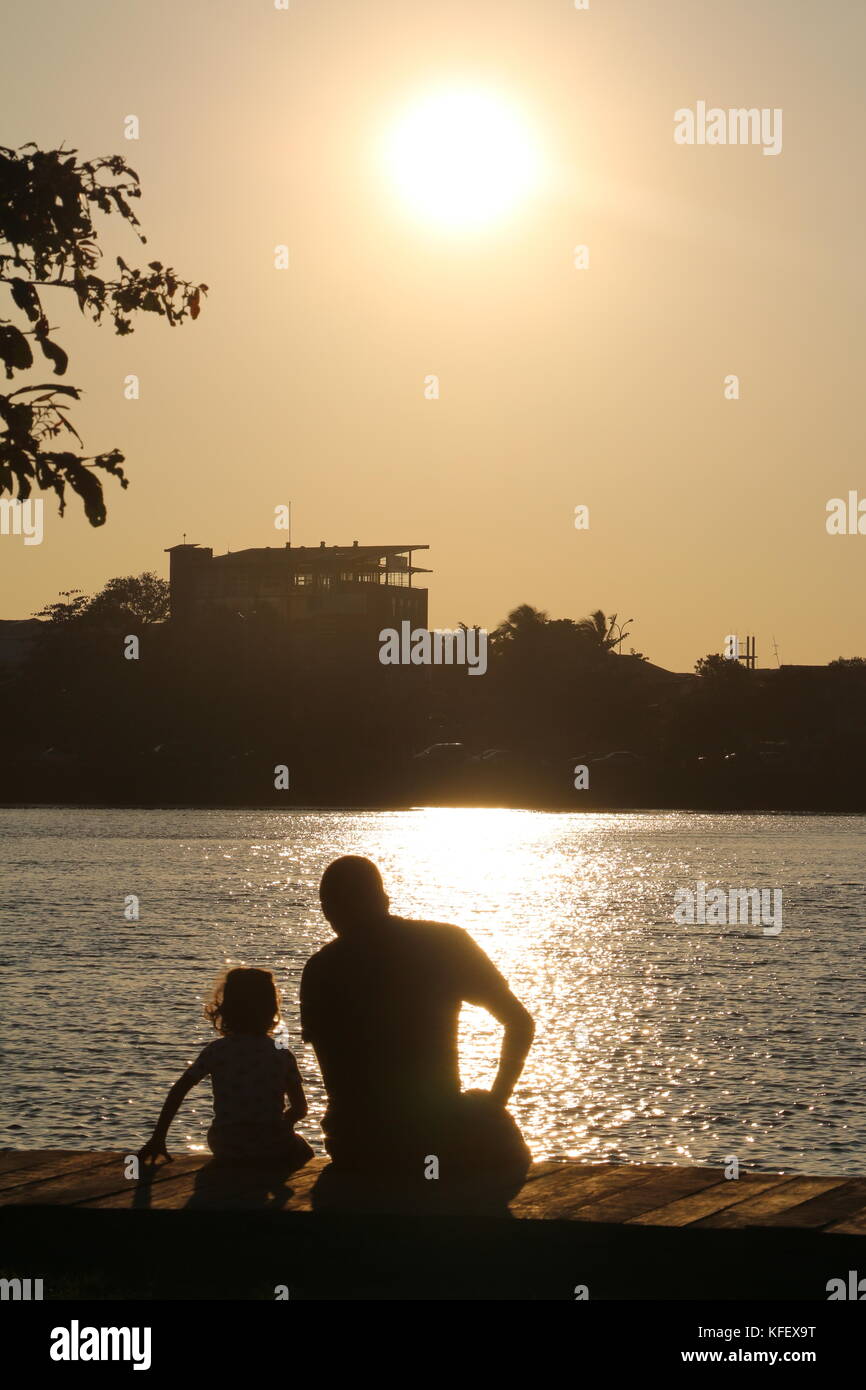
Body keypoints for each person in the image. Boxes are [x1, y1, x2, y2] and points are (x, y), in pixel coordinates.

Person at [301, 856, 534, 1192]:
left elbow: (335, 1075)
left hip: (356, 1150)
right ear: (383, 899)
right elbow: (520, 1023)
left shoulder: (320, 969)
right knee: (503, 1141)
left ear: (328, 909)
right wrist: (496, 1103)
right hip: (433, 1146)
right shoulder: (446, 944)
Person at [139, 966, 313, 1169]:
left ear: (225, 1008)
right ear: (272, 1009)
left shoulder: (216, 1051)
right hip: (272, 1144)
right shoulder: (281, 1054)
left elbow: (178, 1090)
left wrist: (158, 1137)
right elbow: (300, 1108)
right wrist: (283, 1124)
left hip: (225, 1144)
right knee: (305, 1153)